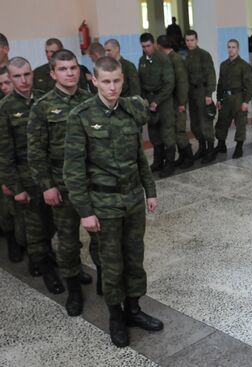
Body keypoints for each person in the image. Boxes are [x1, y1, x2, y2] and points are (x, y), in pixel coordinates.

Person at [64, 56, 163, 348]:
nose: (112, 87)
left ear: (123, 79)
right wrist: (85, 212)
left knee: (134, 256)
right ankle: (116, 315)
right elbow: (74, 170)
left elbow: (138, 157)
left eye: (116, 81)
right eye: (105, 81)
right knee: (111, 263)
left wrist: (150, 190)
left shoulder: (130, 111)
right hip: (103, 202)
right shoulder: (80, 116)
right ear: (93, 81)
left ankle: (133, 309)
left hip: (132, 198)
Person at [28, 49, 99, 316]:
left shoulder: (91, 100)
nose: (69, 73)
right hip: (61, 184)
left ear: (79, 71)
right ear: (52, 73)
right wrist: (47, 185)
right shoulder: (42, 107)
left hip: (91, 183)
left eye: (73, 68)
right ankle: (74, 291)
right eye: (63, 69)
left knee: (100, 238)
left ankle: (105, 281)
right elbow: (35, 151)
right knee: (68, 241)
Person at [0, 57, 63, 294]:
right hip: (26, 177)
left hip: (49, 173)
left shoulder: (45, 99)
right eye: (17, 76)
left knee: (54, 222)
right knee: (34, 226)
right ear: (10, 78)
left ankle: (50, 255)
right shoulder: (5, 108)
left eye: (27, 74)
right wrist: (15, 187)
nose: (24, 80)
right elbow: (4, 154)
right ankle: (44, 266)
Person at [138, 32, 177, 177]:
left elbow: (169, 83)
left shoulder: (163, 59)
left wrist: (157, 101)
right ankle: (158, 162)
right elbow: (140, 82)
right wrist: (145, 100)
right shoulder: (142, 60)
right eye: (143, 47)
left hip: (164, 101)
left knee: (167, 132)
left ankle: (170, 164)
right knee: (154, 133)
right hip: (149, 101)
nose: (146, 49)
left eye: (148, 46)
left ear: (153, 44)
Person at [0, 65, 25, 263]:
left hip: (20, 166)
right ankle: (12, 241)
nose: (5, 87)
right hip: (5, 166)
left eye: (7, 82)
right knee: (7, 209)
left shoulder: (21, 104)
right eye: (1, 84)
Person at [156, 35, 193, 169]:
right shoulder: (167, 58)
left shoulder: (175, 59)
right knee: (175, 130)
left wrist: (182, 103)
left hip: (178, 102)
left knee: (180, 130)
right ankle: (183, 156)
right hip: (171, 101)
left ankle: (188, 157)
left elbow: (182, 83)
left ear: (160, 46)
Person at [214, 39, 252, 159]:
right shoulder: (223, 65)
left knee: (240, 123)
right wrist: (219, 99)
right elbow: (220, 84)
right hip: (226, 98)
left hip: (238, 98)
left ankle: (239, 147)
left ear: (238, 49)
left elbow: (250, 86)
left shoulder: (244, 65)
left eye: (233, 47)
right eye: (229, 47)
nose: (231, 49)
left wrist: (246, 101)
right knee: (222, 122)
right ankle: (221, 144)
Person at [183, 30, 217, 163]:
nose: (189, 43)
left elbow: (211, 75)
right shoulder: (187, 56)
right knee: (195, 124)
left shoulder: (204, 55)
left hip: (203, 92)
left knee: (205, 123)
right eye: (187, 40)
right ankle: (202, 147)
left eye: (192, 40)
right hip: (191, 93)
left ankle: (210, 150)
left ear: (197, 40)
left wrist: (209, 94)